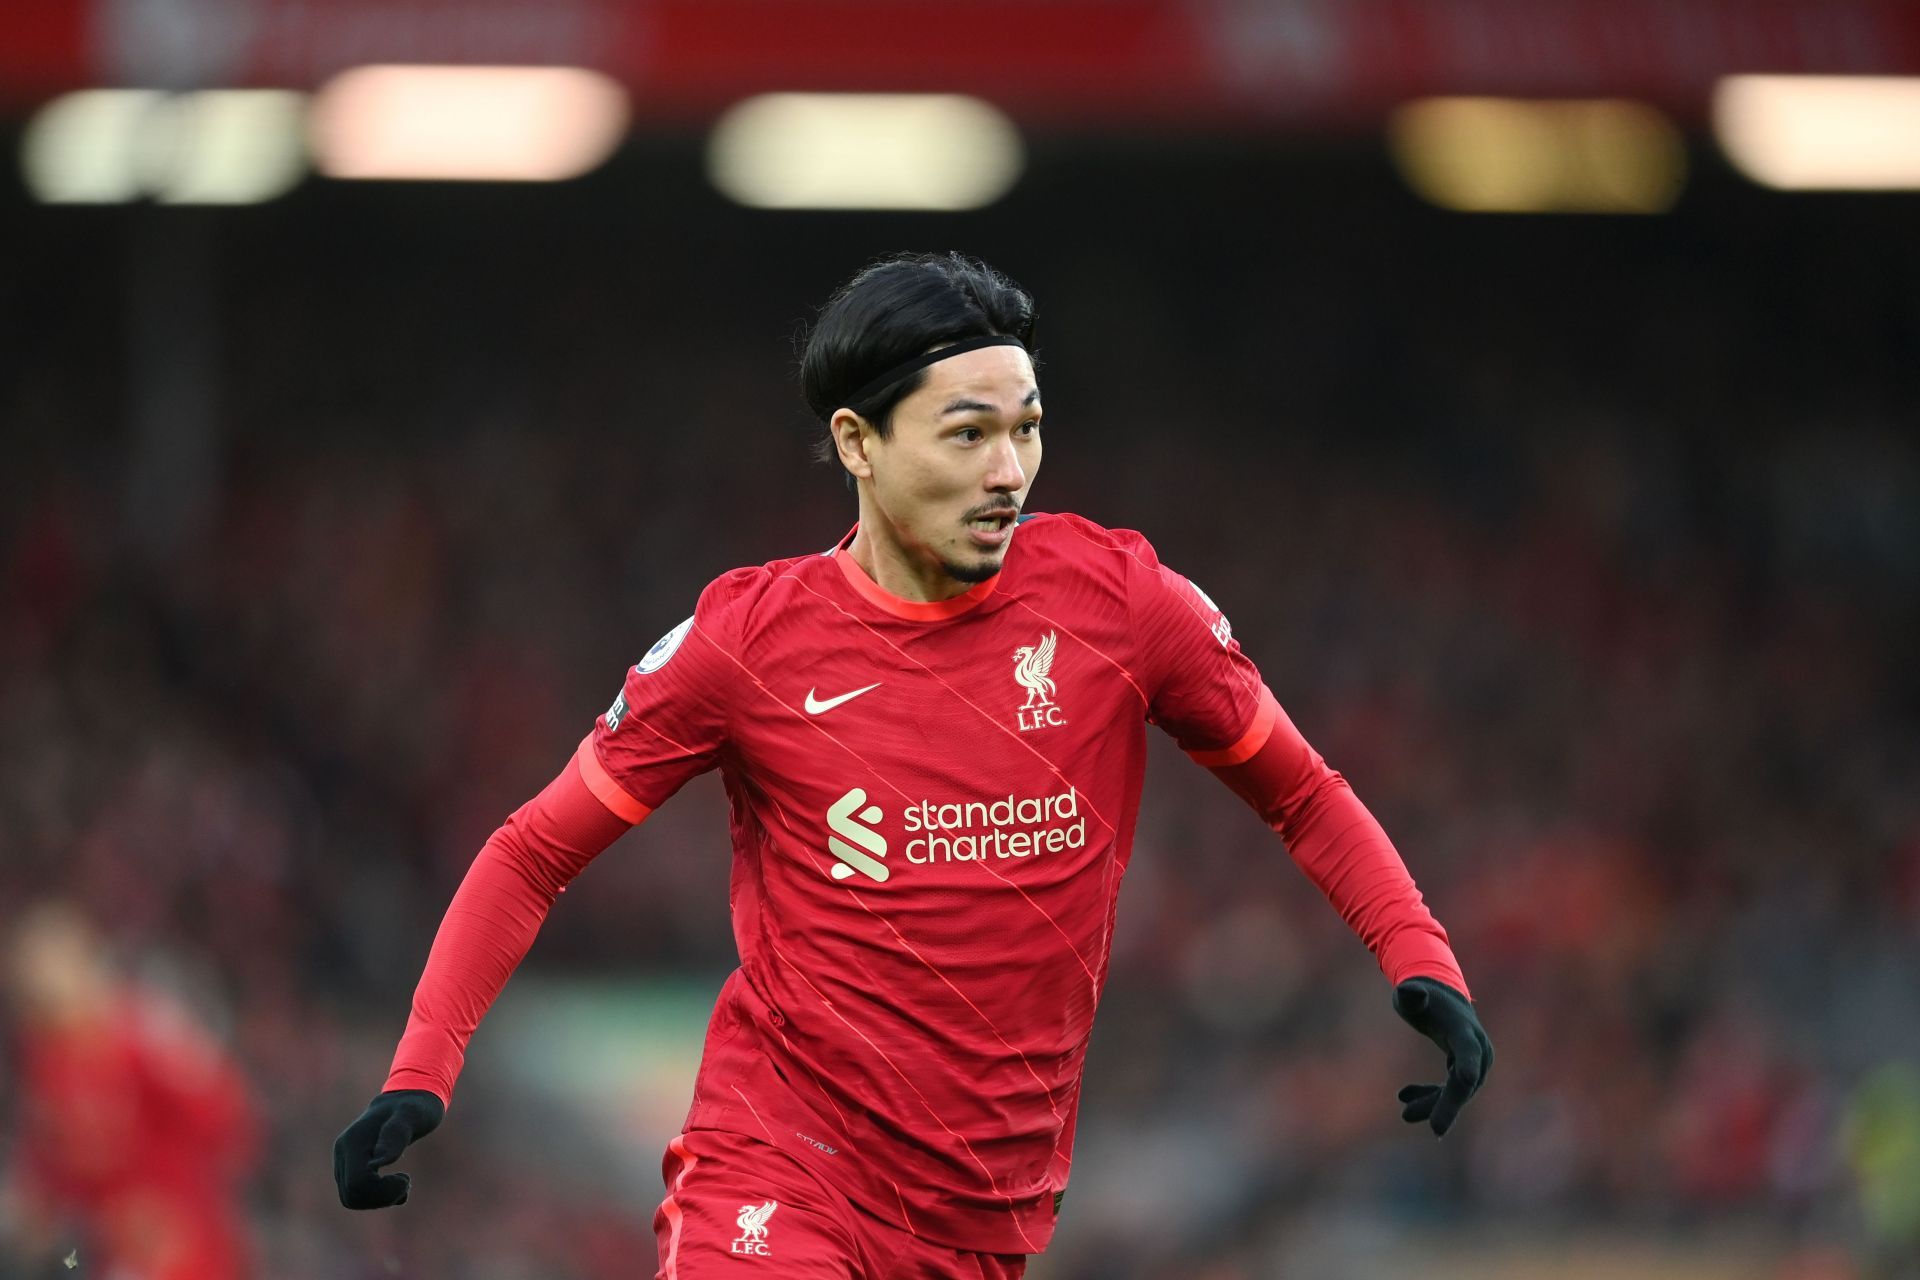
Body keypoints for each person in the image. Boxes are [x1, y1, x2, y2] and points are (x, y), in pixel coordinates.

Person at [333, 252, 1493, 1277]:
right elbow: (533, 850)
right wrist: (420, 1070)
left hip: (985, 1220)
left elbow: (1301, 792)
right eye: (968, 432)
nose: (1009, 470)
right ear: (859, 442)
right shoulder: (747, 641)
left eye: (1027, 427)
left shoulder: (1125, 606)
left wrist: (1419, 956)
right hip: (780, 1167)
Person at [4, 902, 259, 1280]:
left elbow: (228, 1118)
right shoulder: (44, 1060)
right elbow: (51, 1160)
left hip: (181, 1247)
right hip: (103, 1249)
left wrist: (168, 1203)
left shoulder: (141, 1035)